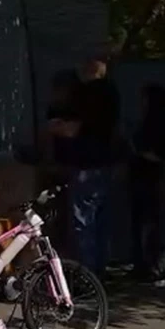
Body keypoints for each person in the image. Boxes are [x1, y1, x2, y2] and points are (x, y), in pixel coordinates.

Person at [67, 56, 122, 279]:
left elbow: (74, 128)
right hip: (105, 162)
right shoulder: (113, 93)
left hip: (86, 162)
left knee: (83, 222)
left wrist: (58, 128)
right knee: (101, 220)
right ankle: (100, 269)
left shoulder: (86, 94)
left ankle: (86, 275)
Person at [130, 82, 165, 286]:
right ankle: (143, 265)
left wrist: (138, 152)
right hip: (141, 177)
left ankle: (156, 268)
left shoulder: (159, 124)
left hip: (151, 179)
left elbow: (160, 155)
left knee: (152, 225)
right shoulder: (146, 121)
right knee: (141, 224)